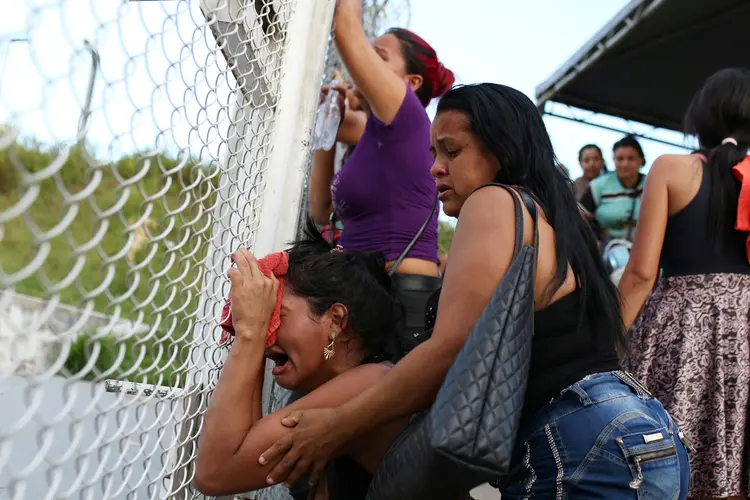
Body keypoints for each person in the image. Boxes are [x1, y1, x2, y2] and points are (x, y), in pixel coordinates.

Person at [256, 83, 691, 498]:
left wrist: (335, 426)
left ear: (501, 151)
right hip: (642, 432)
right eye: (433, 153)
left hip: (582, 446)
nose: (435, 167)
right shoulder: (562, 216)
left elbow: (449, 351)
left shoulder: (494, 201)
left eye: (452, 150)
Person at [195, 223, 407, 499]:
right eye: (264, 316)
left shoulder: (370, 384)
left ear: (335, 321)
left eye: (276, 315)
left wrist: (251, 332)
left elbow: (215, 473)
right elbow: (237, 449)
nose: (267, 336)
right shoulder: (363, 379)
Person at [619, 67, 750, 500]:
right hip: (746, 330)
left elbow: (640, 274)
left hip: (682, 327)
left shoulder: (671, 169)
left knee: (661, 464)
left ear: (703, 117)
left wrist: (605, 343)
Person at [307, 0, 454, 358]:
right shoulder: (374, 134)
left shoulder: (408, 115)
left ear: (411, 82)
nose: (365, 63)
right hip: (358, 289)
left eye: (379, 55)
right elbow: (320, 210)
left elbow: (345, 28)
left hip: (399, 294)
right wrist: (333, 115)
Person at [580, 135, 647, 242]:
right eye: (620, 159)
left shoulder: (653, 185)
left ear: (641, 160)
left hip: (647, 247)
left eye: (631, 158)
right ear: (613, 160)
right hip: (604, 249)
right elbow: (579, 219)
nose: (625, 164)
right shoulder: (597, 186)